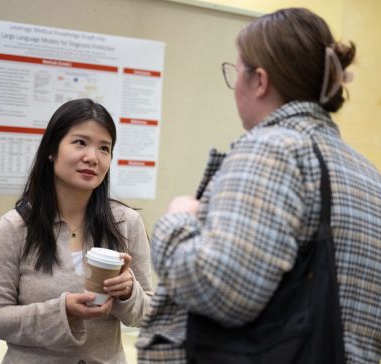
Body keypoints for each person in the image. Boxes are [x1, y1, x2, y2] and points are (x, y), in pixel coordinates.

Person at [137, 7, 381, 364]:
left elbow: (222, 288)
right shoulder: (367, 174)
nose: (234, 84)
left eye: (235, 72)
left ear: (260, 80)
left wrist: (177, 222)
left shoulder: (272, 148)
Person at [0, 98, 153, 363]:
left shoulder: (125, 223)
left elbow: (148, 312)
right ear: (52, 150)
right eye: (80, 142)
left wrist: (130, 292)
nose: (92, 157)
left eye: (104, 148)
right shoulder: (15, 227)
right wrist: (62, 311)